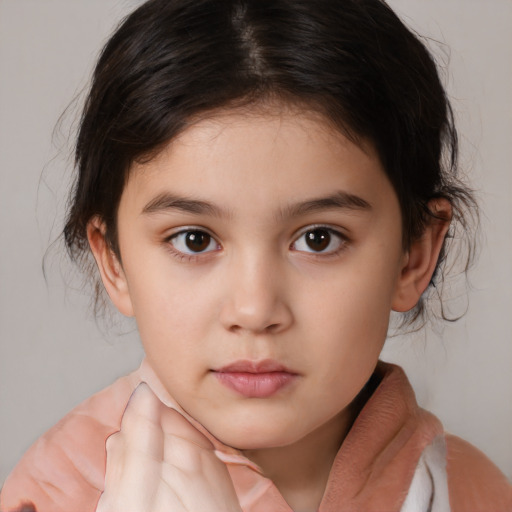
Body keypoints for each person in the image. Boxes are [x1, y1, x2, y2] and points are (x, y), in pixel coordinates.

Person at [1, 0, 511, 511]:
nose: (254, 310)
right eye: (194, 240)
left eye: (318, 239)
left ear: (413, 255)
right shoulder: (52, 496)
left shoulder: (471, 493)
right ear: (113, 259)